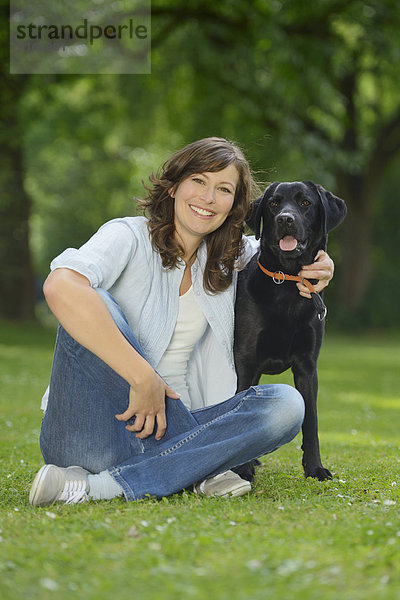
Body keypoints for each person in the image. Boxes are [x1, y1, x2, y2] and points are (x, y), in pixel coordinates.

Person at [29, 137, 334, 506]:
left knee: (286, 403)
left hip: (179, 431)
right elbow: (60, 286)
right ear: (173, 186)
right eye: (199, 181)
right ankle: (195, 470)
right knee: (94, 299)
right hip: (93, 434)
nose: (208, 198)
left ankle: (100, 486)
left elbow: (283, 260)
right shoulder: (126, 236)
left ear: (233, 206)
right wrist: (143, 378)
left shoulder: (229, 257)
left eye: (223, 189)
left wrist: (324, 267)